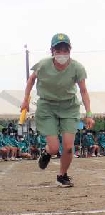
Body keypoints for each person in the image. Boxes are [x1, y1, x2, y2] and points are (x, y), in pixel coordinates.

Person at [20, 33, 94, 187]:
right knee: (54, 148)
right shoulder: (43, 65)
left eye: (65, 49)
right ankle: (47, 153)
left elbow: (84, 91)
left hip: (69, 107)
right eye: (58, 50)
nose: (61, 53)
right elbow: (31, 80)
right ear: (52, 51)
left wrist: (88, 114)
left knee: (68, 147)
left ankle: (62, 175)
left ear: (69, 50)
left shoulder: (77, 67)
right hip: (47, 106)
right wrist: (25, 100)